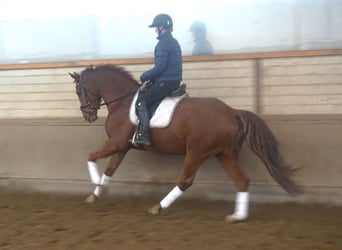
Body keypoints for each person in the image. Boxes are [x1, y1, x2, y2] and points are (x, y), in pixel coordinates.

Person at [134, 13, 183, 146]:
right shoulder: (173, 41)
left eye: (156, 27)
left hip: (166, 81)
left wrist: (144, 76)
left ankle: (143, 135)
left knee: (141, 101)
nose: (155, 30)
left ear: (162, 27)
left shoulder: (163, 43)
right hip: (173, 80)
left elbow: (160, 67)